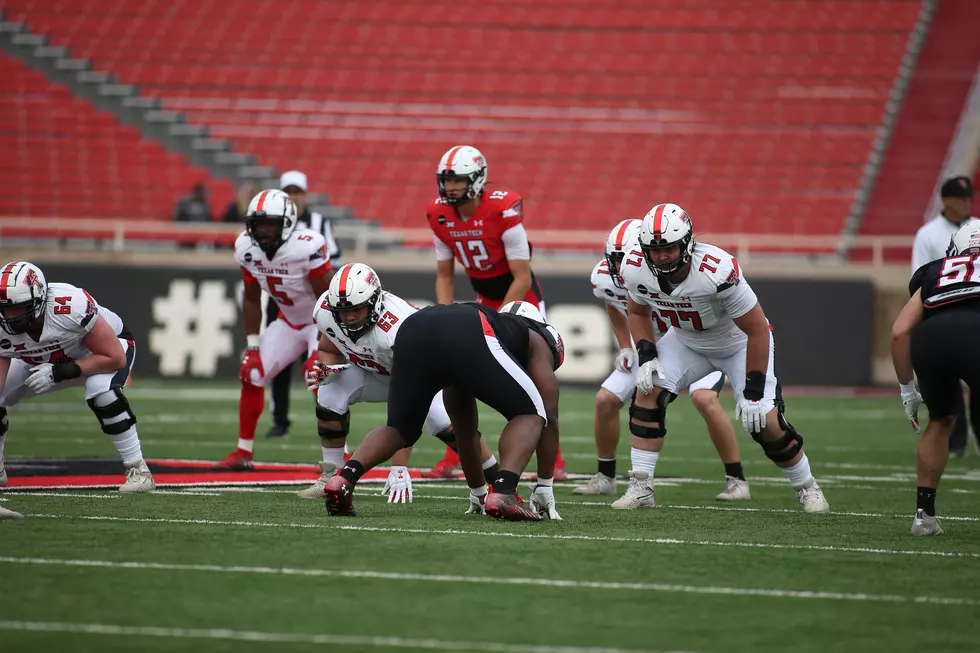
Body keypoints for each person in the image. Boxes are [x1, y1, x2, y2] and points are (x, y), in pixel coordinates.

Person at [615, 203, 829, 513]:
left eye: (670, 249)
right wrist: (647, 354)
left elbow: (757, 330)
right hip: (686, 339)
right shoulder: (635, 266)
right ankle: (641, 486)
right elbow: (636, 311)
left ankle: (807, 486)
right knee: (646, 394)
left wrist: (754, 392)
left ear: (687, 243)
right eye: (654, 250)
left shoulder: (716, 269)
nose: (661, 257)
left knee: (764, 421)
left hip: (738, 342)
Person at [322, 300, 564, 521]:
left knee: (399, 429)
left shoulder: (492, 332)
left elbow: (466, 435)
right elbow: (549, 415)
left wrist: (478, 493)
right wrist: (544, 485)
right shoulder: (536, 338)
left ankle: (344, 478)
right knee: (531, 414)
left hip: (413, 328)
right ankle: (504, 491)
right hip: (469, 330)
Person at [574, 219, 750, 502]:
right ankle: (606, 476)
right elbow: (615, 306)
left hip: (691, 342)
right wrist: (625, 347)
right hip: (649, 351)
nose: (619, 268)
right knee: (605, 400)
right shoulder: (608, 277)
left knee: (704, 399)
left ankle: (736, 479)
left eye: (624, 258)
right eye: (614, 260)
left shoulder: (671, 272)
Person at [298, 262, 502, 501]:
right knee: (329, 390)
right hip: (377, 370)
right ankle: (330, 477)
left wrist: (399, 466)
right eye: (342, 311)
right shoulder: (326, 310)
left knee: (448, 426)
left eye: (356, 310)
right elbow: (327, 346)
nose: (349, 317)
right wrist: (329, 369)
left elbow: (406, 415)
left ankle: (498, 481)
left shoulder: (397, 329)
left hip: (428, 373)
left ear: (374, 302)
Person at [425, 145, 565, 480]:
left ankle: (554, 464)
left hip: (523, 300)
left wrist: (501, 319)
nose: (451, 187)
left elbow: (521, 275)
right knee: (458, 376)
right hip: (485, 298)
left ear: (477, 179)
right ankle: (457, 456)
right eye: (447, 180)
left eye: (458, 180)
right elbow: (445, 275)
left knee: (538, 382)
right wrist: (446, 314)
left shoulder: (502, 210)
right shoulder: (438, 214)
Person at [0, 261, 155, 499]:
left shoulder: (70, 306)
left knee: (101, 390)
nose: (10, 316)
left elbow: (114, 357)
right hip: (41, 359)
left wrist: (58, 372)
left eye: (18, 308)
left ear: (39, 300)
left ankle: (138, 470)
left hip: (102, 350)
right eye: (5, 308)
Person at [213, 189, 334, 470]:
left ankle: (340, 458)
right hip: (289, 322)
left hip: (321, 322)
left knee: (322, 380)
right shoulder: (246, 247)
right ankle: (244, 452)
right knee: (252, 372)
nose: (263, 231)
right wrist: (253, 346)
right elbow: (252, 297)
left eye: (270, 224)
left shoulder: (307, 246)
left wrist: (323, 345)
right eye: (258, 224)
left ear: (288, 223)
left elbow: (328, 301)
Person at [892, 221, 980, 535]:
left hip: (932, 338)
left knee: (940, 421)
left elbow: (900, 331)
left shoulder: (933, 271)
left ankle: (924, 517)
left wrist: (907, 390)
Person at [264, 170, 343, 439]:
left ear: (305, 194)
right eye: (288, 192)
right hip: (282, 303)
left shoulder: (319, 223)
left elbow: (333, 261)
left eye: (297, 192)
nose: (293, 197)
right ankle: (280, 420)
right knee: (278, 364)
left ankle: (328, 422)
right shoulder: (270, 222)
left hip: (314, 304)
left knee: (319, 365)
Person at [911, 175, 977, 457]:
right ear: (946, 200)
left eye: (968, 198)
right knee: (949, 393)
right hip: (941, 314)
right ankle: (955, 444)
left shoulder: (976, 228)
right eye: (960, 198)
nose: (966, 203)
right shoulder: (928, 234)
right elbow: (919, 279)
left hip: (973, 316)